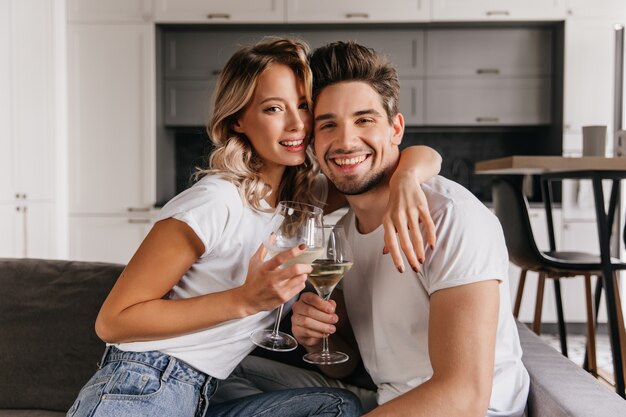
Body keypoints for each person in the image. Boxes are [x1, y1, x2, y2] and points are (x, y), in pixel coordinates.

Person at [66, 38, 441, 417]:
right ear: (237, 120)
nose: (296, 123)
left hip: (205, 393)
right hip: (143, 383)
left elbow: (413, 158)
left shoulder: (301, 202)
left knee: (335, 407)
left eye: (303, 106)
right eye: (274, 108)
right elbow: (112, 322)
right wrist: (245, 300)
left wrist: (407, 180)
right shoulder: (215, 201)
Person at [216, 41, 529, 417]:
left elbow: (463, 397)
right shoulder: (343, 230)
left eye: (365, 120)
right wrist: (319, 341)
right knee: (218, 368)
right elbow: (348, 365)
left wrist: (410, 175)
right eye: (328, 124)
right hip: (385, 402)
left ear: (396, 128)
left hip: (470, 412)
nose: (346, 141)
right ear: (311, 140)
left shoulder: (452, 218)